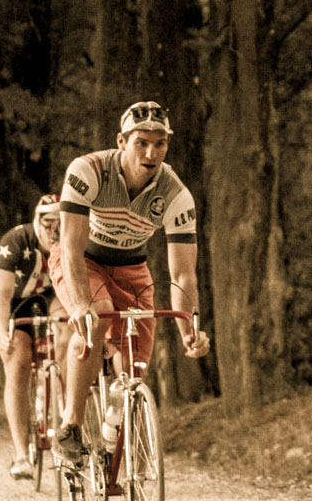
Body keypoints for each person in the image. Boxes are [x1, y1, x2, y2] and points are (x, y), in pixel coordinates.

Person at [49, 101, 211, 460]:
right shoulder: (88, 170)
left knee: (135, 368)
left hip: (133, 270)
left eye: (160, 143)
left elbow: (183, 273)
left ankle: (122, 446)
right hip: (83, 260)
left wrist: (190, 329)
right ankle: (71, 425)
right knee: (98, 316)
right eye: (142, 142)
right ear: (121, 141)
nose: (151, 153)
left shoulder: (176, 194)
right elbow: (71, 248)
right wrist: (78, 305)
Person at [0, 194, 64, 479]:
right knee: (18, 362)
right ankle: (22, 455)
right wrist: (1, 331)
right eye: (48, 225)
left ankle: (70, 420)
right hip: (16, 304)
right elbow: (2, 294)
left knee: (68, 338)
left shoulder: (71, 236)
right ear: (37, 221)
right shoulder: (16, 240)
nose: (53, 232)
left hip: (52, 299)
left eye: (60, 225)